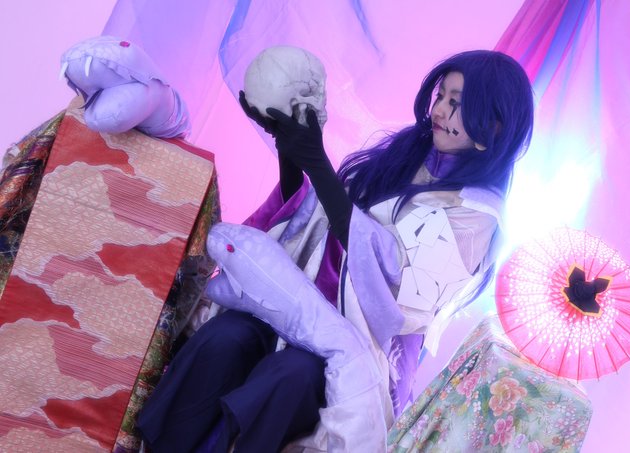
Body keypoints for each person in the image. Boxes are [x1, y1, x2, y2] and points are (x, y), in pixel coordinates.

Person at [136, 49, 534, 452]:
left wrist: (317, 162)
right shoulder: (406, 155)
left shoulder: (476, 217)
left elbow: (390, 284)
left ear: (494, 126)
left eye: (457, 104)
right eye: (442, 96)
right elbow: (317, 224)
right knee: (226, 338)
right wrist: (290, 155)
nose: (440, 110)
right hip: (296, 312)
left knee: (290, 375)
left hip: (362, 353)